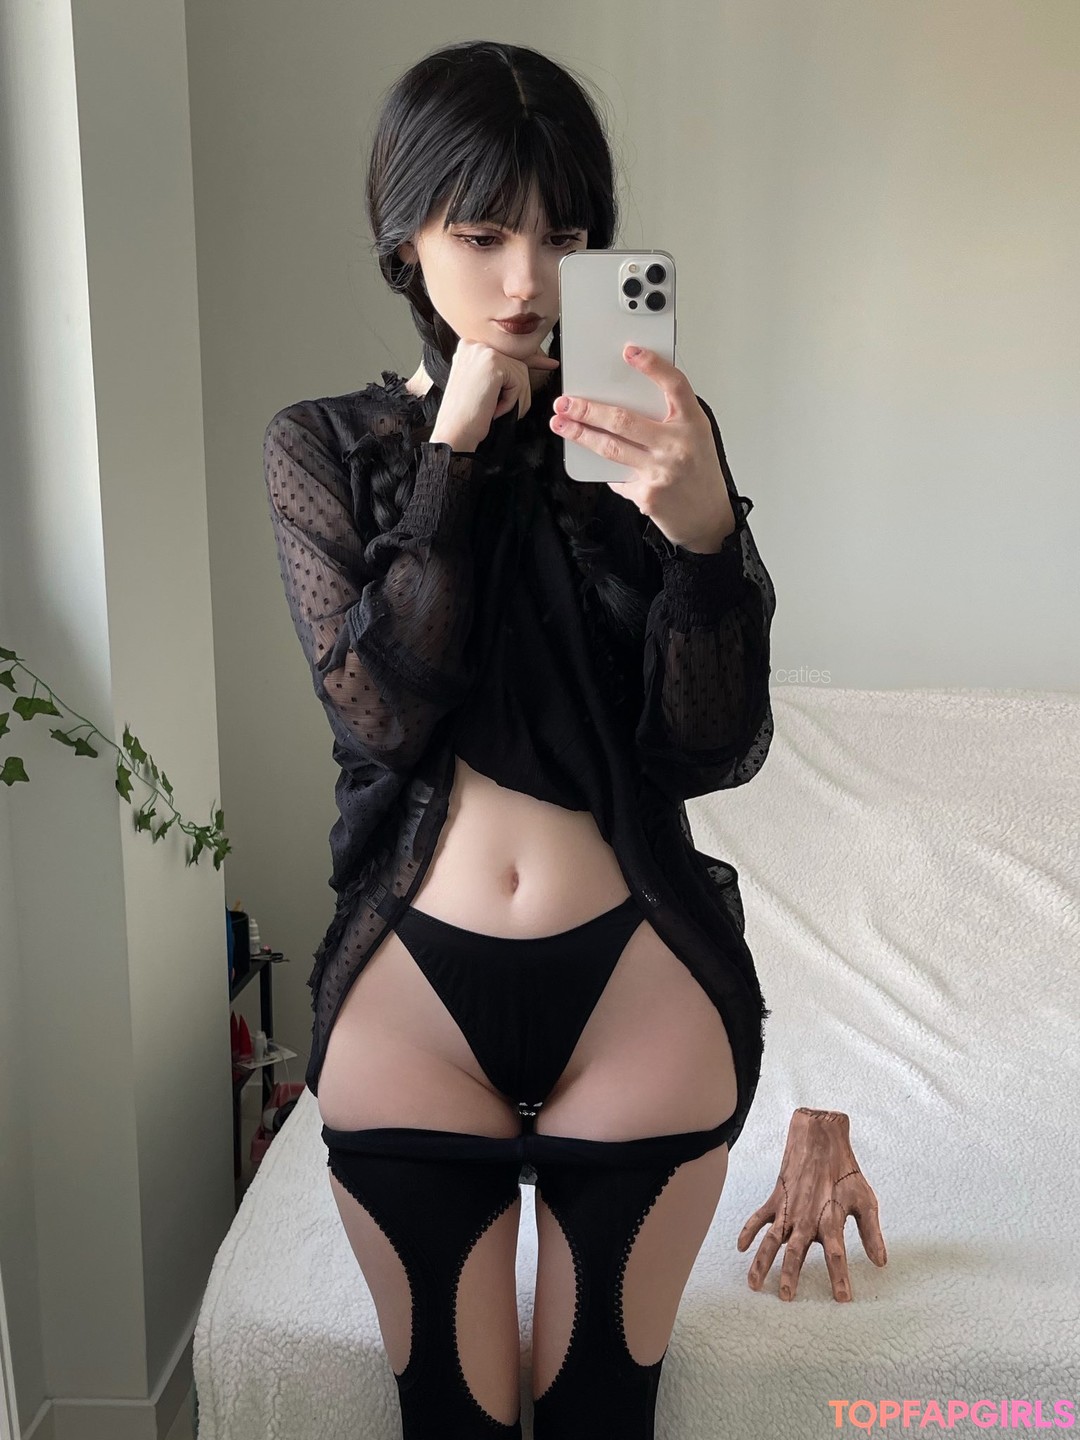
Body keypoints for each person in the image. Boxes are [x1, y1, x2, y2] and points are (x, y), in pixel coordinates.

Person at [263, 39, 782, 1440]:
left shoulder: (650, 441)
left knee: (605, 1417)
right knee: (451, 1422)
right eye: (484, 234)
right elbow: (378, 709)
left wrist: (705, 541)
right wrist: (451, 460)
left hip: (638, 988)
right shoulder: (327, 447)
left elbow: (711, 747)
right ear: (405, 241)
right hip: (413, 997)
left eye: (565, 237)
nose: (527, 281)